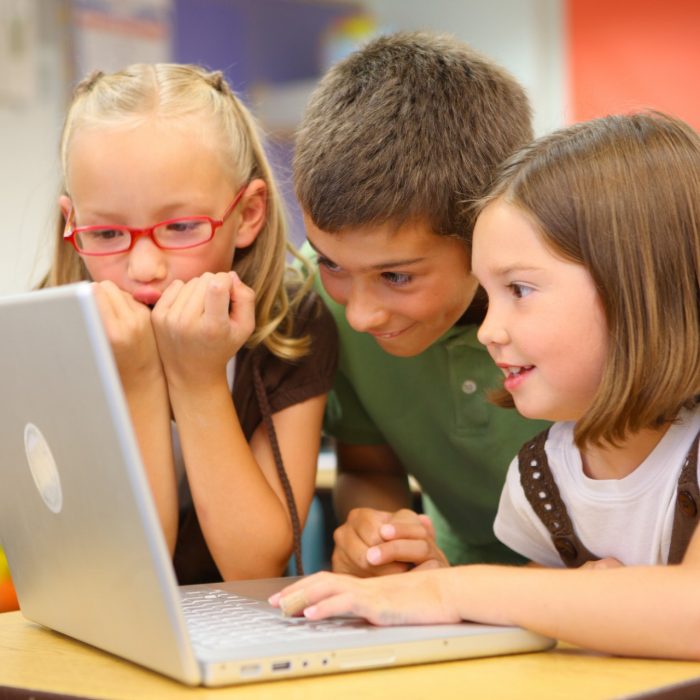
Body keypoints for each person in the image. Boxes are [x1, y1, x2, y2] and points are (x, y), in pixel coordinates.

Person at [270, 112, 700, 660]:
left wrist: (450, 590)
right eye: (489, 296)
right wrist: (430, 580)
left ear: (641, 287)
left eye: (519, 289)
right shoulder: (545, 476)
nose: (490, 331)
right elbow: (545, 619)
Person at [43, 63, 337, 584]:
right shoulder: (50, 330)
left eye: (180, 227)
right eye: (107, 234)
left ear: (247, 214)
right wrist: (139, 381)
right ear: (73, 223)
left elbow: (255, 566)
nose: (144, 268)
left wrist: (197, 380)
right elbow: (126, 577)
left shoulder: (293, 322)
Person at [294, 31, 548, 574]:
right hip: (458, 585)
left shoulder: (591, 296)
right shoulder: (321, 301)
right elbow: (368, 462)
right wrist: (381, 538)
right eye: (331, 262)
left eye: (396, 276)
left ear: (485, 230)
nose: (360, 314)